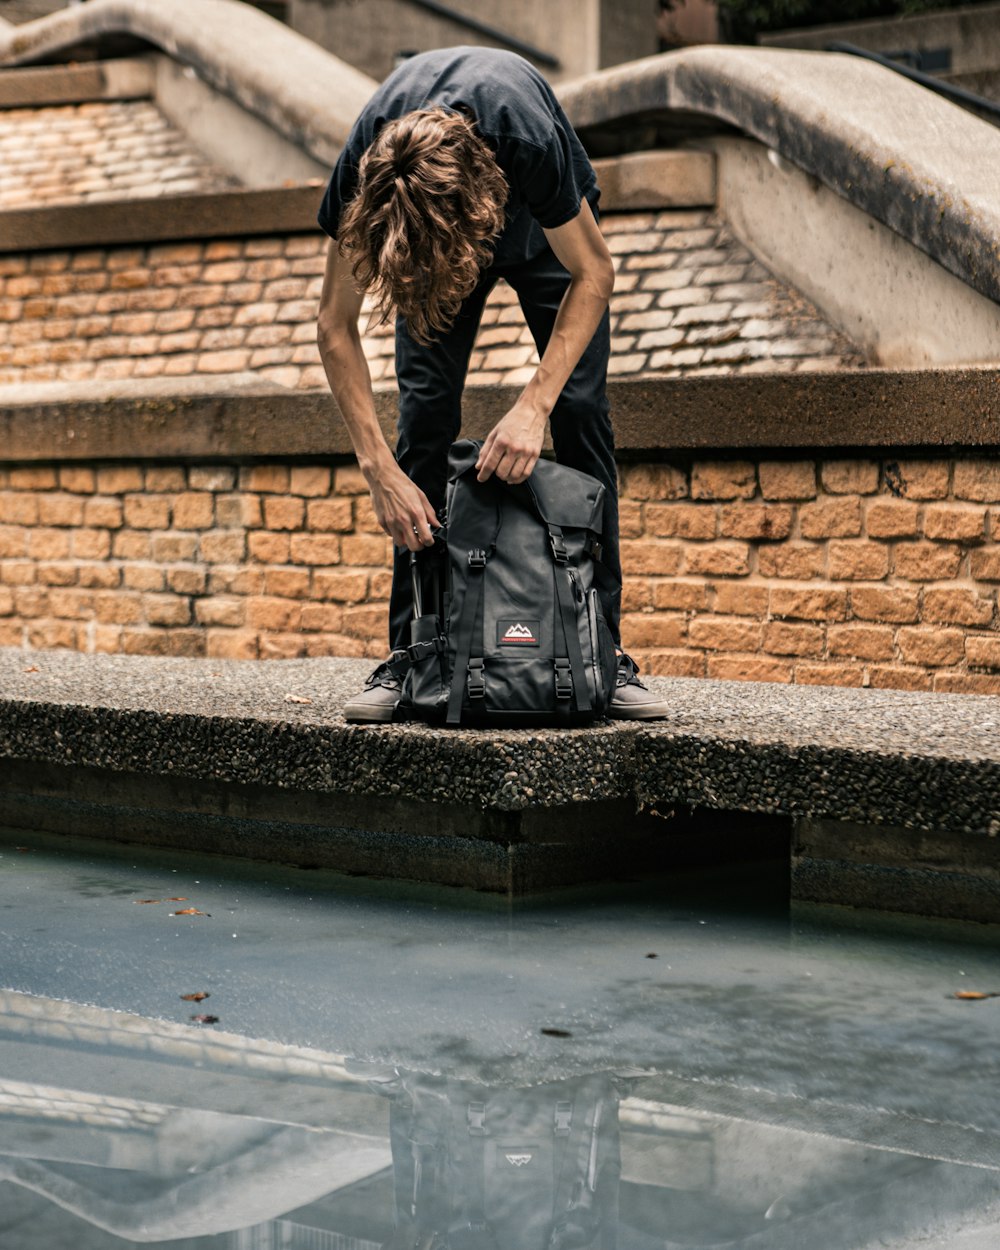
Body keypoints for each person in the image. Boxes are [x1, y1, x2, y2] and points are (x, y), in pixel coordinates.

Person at [316, 46, 668, 722]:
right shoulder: (369, 170)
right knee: (421, 423)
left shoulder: (524, 135)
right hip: (432, 241)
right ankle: (411, 654)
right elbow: (334, 326)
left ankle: (603, 650)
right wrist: (376, 469)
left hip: (546, 240)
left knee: (581, 414)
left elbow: (595, 272)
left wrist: (534, 405)